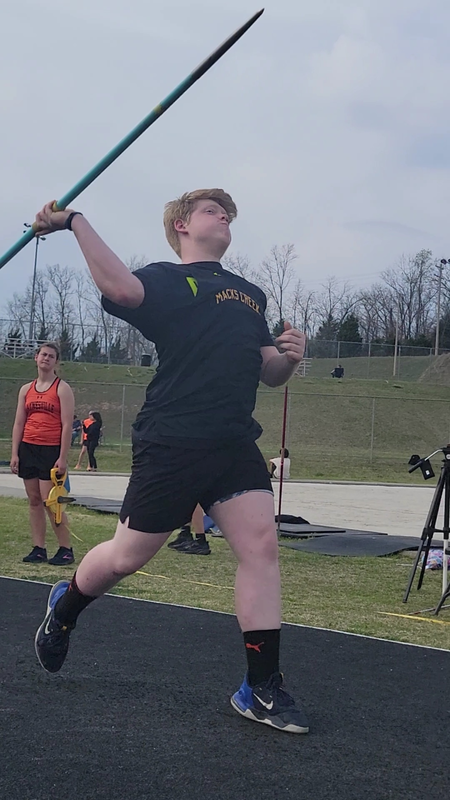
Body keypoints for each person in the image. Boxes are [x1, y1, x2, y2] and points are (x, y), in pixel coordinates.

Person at [32, 189, 309, 735]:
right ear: (182, 225)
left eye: (228, 211)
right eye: (212, 210)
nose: (225, 215)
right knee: (126, 557)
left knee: (260, 547)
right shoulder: (167, 278)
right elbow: (118, 286)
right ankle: (65, 606)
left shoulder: (250, 294)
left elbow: (267, 371)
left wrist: (290, 358)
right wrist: (74, 221)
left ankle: (260, 686)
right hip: (173, 439)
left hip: (232, 441)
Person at [10, 342, 75, 565]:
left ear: (56, 361)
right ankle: (39, 548)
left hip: (51, 450)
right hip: (28, 447)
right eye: (43, 354)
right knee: (34, 500)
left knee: (52, 502)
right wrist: (15, 453)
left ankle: (66, 549)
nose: (46, 358)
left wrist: (63, 457)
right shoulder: (26, 389)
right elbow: (19, 422)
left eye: (51, 356)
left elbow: (67, 425)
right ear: (36, 358)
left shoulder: (62, 388)